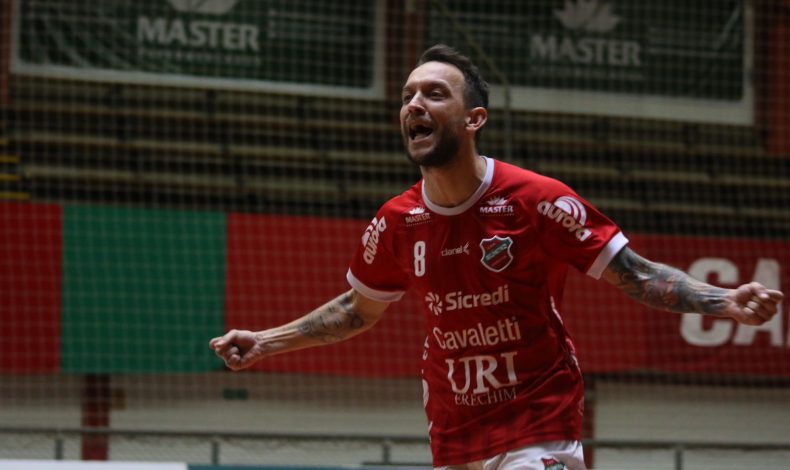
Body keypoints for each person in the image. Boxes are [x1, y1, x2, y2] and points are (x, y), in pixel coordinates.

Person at [210, 44, 784, 470]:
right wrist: (267, 341)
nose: (414, 104)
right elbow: (357, 310)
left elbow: (635, 274)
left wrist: (724, 300)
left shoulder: (537, 200)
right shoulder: (395, 221)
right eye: (408, 96)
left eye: (434, 94)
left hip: (538, 415)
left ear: (474, 119)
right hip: (454, 427)